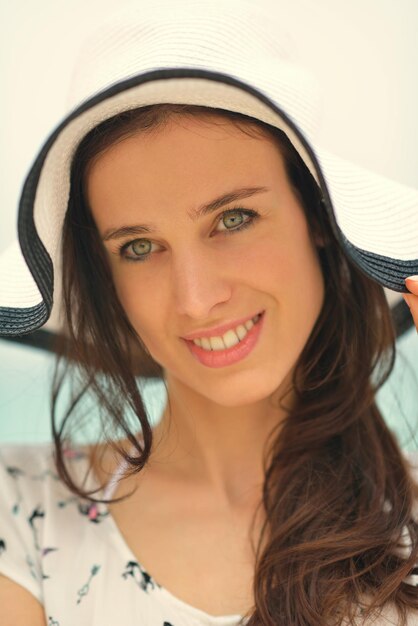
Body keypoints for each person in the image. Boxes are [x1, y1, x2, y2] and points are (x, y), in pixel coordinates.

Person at [0, 2, 418, 625]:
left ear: (321, 221)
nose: (195, 299)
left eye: (234, 218)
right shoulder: (20, 508)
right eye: (138, 247)